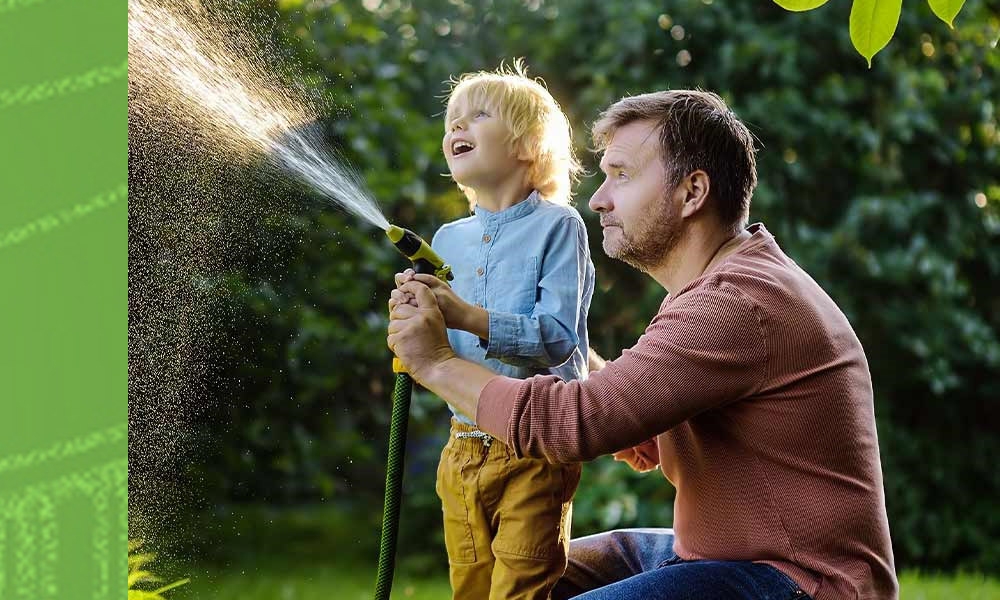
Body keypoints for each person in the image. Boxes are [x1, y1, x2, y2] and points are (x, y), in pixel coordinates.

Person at [388, 90, 898, 600]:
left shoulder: (735, 302)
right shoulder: (718, 287)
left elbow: (574, 424)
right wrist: (599, 388)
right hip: (719, 553)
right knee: (520, 575)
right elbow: (647, 395)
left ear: (692, 191)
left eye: (622, 175)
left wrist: (435, 363)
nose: (598, 199)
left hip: (801, 581)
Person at [397, 59, 595, 600]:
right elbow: (437, 359)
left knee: (519, 592)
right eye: (451, 122)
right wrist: (418, 318)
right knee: (470, 590)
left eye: (476, 116)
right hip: (461, 450)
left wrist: (464, 315)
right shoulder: (447, 239)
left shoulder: (560, 226)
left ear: (528, 145)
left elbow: (557, 336)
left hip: (533, 452)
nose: (455, 128)